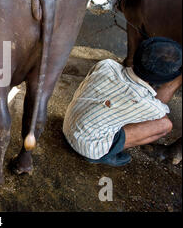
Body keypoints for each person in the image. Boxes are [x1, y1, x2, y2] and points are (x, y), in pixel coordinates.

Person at [63, 37, 182, 167]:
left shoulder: (107, 64)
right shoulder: (148, 104)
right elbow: (162, 118)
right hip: (87, 148)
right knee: (165, 126)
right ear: (163, 81)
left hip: (68, 125)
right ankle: (103, 154)